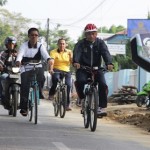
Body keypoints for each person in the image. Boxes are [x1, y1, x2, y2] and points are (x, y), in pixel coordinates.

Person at [73, 23, 113, 116]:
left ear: (96, 34)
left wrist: (109, 63)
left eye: (93, 33)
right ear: (85, 35)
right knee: (80, 81)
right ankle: (82, 99)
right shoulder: (81, 43)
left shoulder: (100, 43)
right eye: (89, 33)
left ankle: (101, 107)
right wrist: (76, 61)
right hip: (83, 68)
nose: (91, 35)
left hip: (97, 69)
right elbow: (77, 53)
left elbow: (105, 53)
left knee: (103, 84)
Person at [16, 27, 53, 116]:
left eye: (36, 35)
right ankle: (24, 108)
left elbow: (45, 54)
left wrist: (49, 59)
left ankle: (39, 91)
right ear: (29, 36)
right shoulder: (24, 45)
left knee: (42, 77)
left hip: (37, 66)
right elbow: (20, 54)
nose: (34, 37)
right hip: (26, 67)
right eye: (32, 35)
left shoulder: (40, 45)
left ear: (38, 37)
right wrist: (18, 60)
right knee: (25, 85)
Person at [48, 38, 73, 111]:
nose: (62, 45)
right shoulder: (53, 52)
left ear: (66, 45)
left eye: (63, 44)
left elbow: (72, 62)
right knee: (55, 79)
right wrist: (51, 69)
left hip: (66, 70)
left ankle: (67, 105)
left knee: (68, 85)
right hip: (56, 69)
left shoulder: (69, 51)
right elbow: (52, 61)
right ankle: (52, 93)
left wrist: (71, 57)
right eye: (60, 43)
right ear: (58, 44)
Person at [0, 36, 18, 109]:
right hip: (6, 72)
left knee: (26, 81)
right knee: (2, 77)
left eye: (13, 44)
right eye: (9, 44)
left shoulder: (18, 53)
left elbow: (22, 62)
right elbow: (0, 61)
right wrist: (1, 66)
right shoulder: (3, 53)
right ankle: (2, 96)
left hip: (17, 74)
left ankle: (26, 100)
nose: (11, 45)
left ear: (15, 45)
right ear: (6, 45)